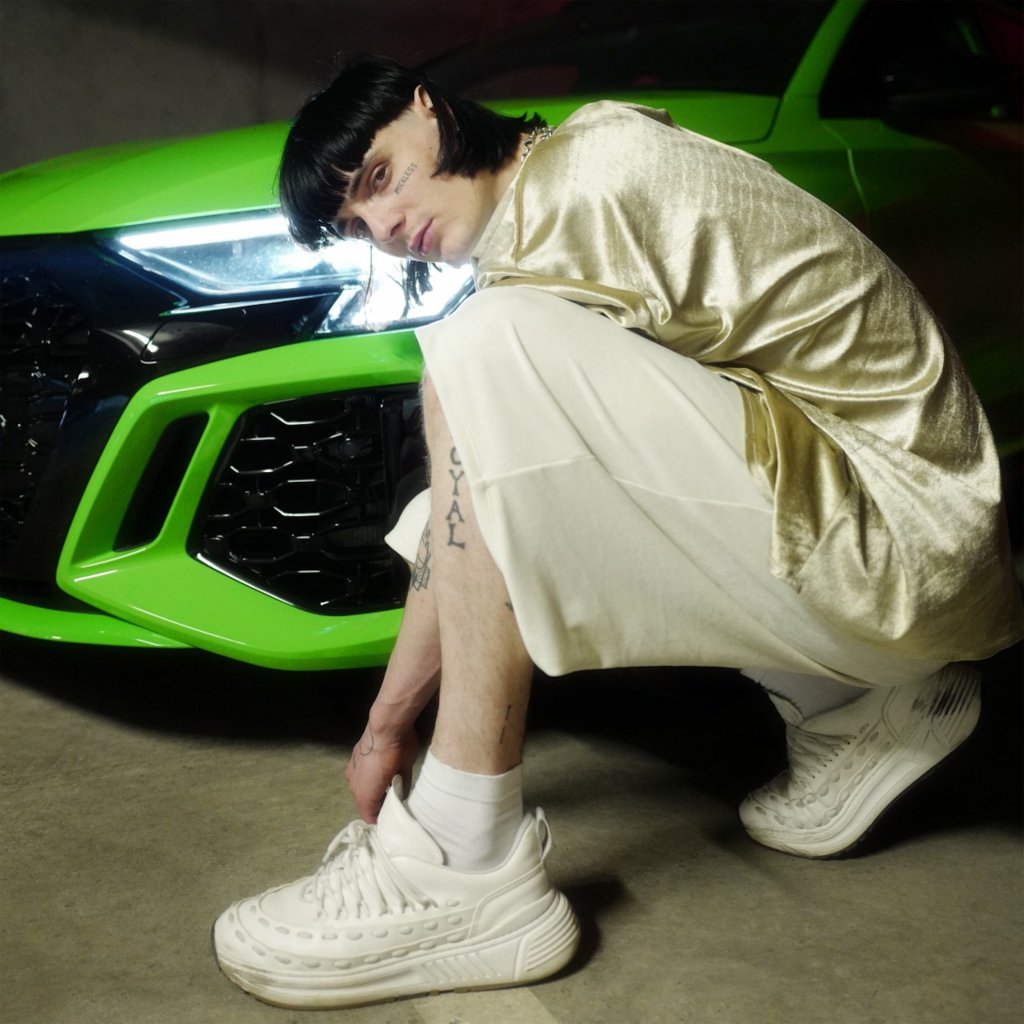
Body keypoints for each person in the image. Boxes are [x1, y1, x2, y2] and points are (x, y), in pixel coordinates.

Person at [212, 54, 1023, 1010]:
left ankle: (464, 863)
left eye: (381, 177)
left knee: (480, 354)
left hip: (907, 539)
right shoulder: (542, 218)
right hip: (874, 540)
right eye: (358, 225)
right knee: (467, 458)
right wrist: (387, 725)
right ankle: (853, 704)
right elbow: (479, 519)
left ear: (426, 110)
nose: (385, 228)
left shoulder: (593, 177)